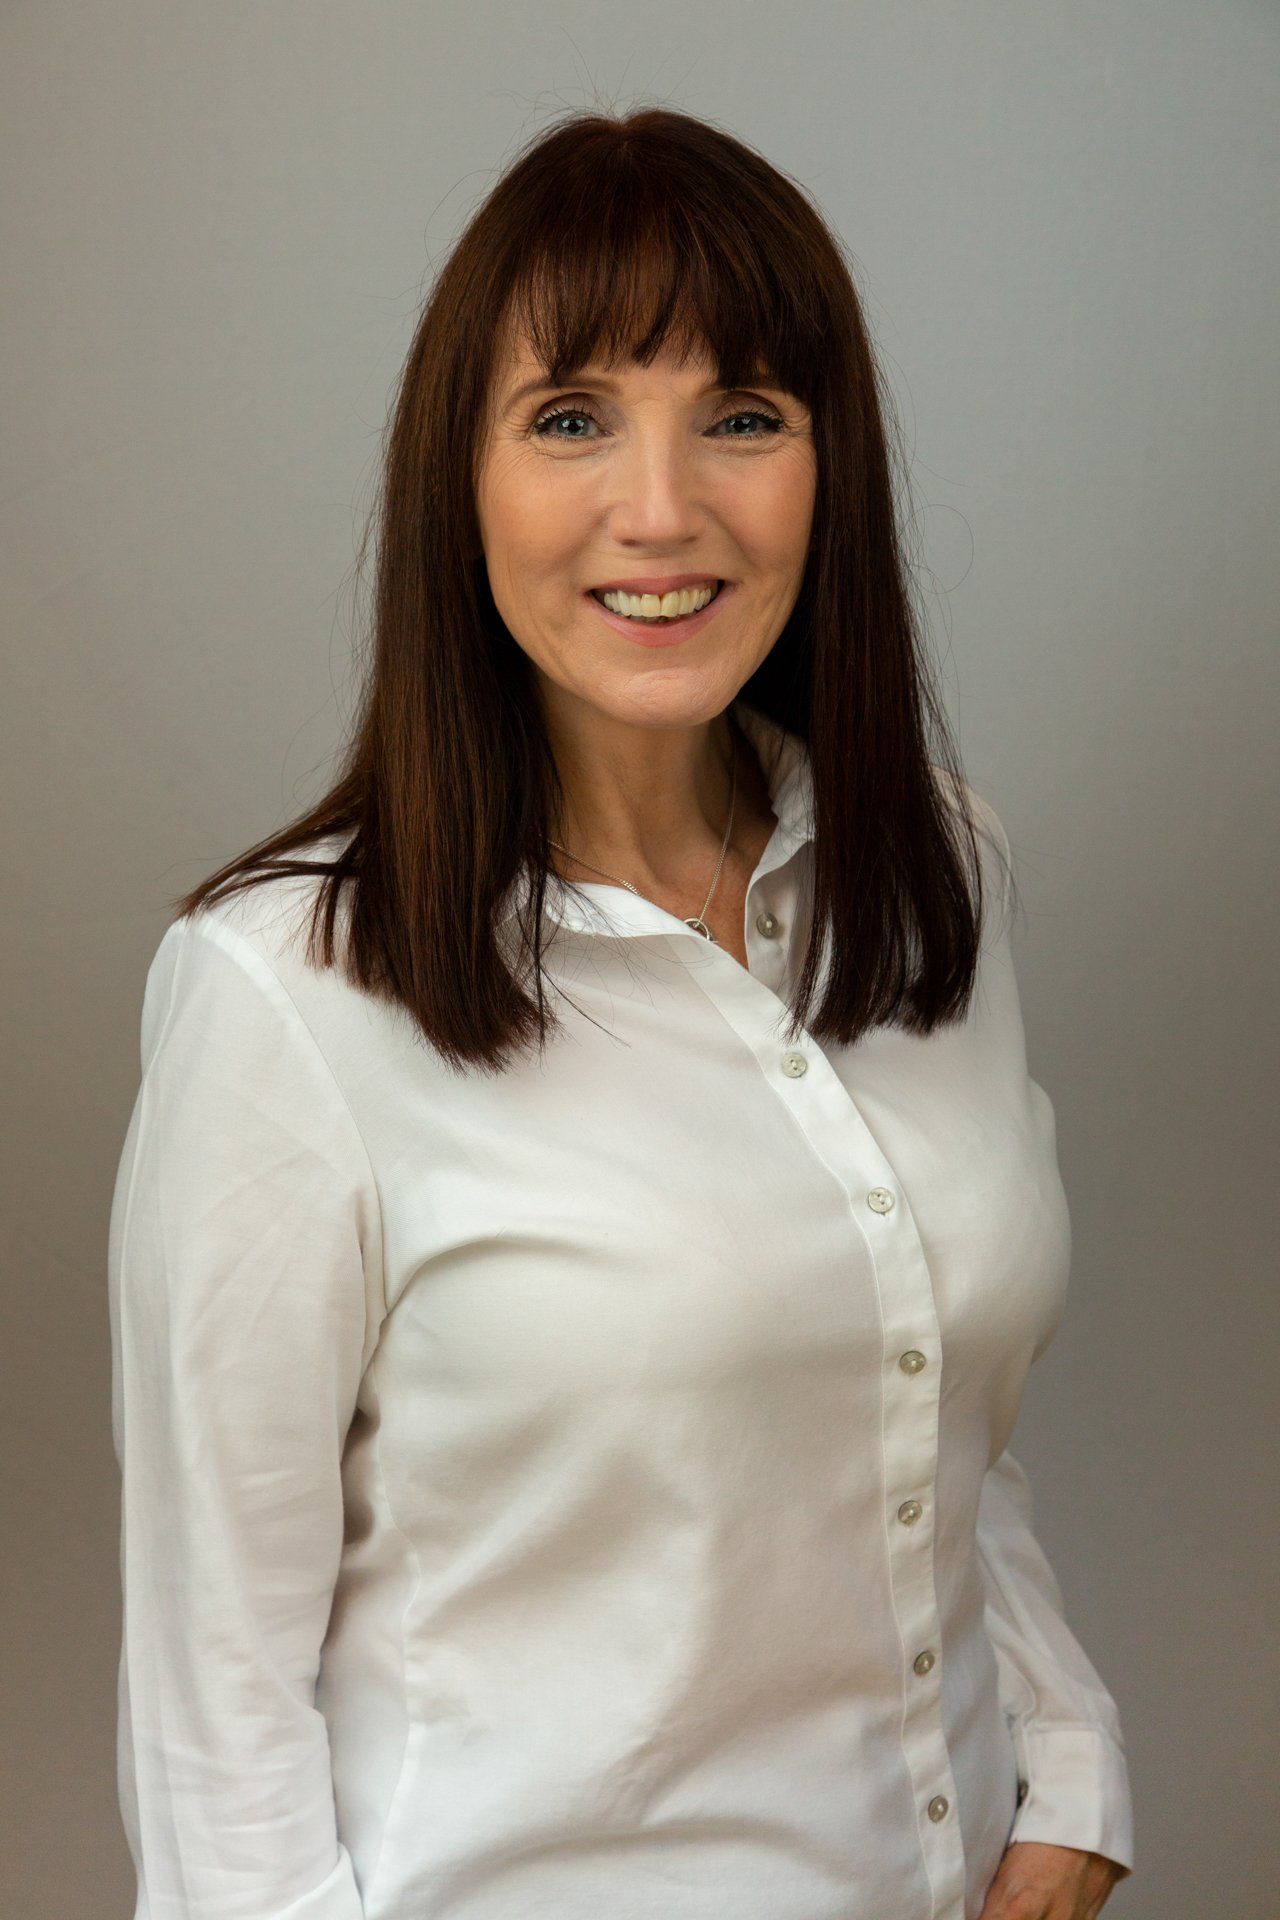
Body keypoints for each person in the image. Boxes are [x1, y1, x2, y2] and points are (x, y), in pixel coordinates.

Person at [107, 107, 1134, 1920]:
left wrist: (1071, 1760)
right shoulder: (283, 995)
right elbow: (214, 1700)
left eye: (745, 416)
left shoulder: (941, 874)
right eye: (570, 417)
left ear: (834, 471)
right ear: (462, 480)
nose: (663, 511)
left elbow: (929, 1395)